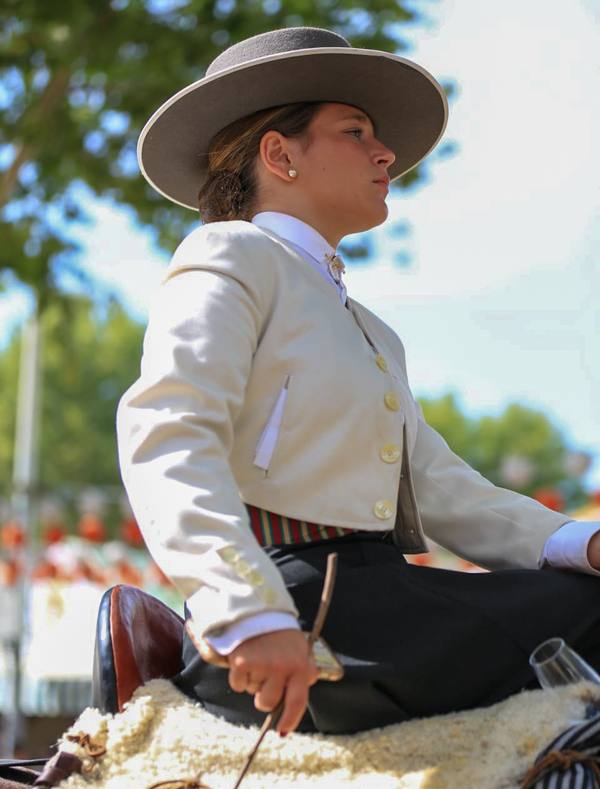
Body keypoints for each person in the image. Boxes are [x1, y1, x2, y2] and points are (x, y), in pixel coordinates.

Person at [117, 25, 600, 739]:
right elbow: (168, 432)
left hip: (385, 598)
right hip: (302, 608)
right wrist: (245, 608)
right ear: (279, 155)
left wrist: (577, 544)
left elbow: (440, 487)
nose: (387, 154)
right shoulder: (230, 253)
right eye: (356, 131)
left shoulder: (372, 330)